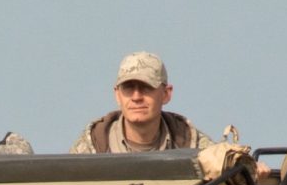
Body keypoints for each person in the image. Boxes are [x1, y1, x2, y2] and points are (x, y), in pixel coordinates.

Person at [72, 51, 213, 153]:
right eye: (128, 88)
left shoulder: (194, 147)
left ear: (166, 94)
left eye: (146, 87)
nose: (136, 97)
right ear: (117, 95)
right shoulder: (92, 148)